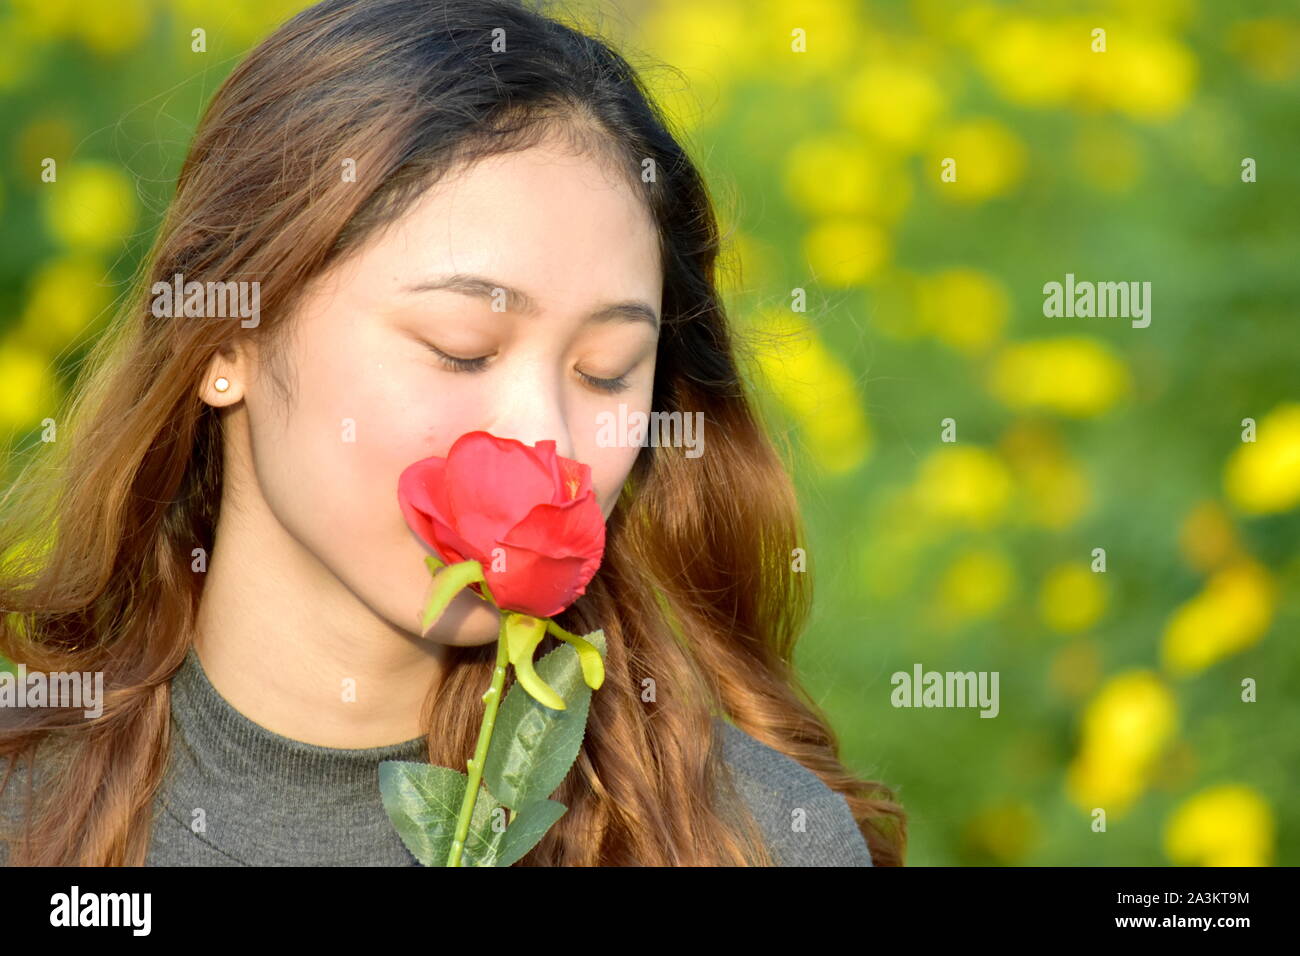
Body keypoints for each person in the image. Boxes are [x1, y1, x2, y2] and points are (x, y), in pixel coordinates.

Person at [0, 0, 904, 866]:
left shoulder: (747, 842)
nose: (546, 439)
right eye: (462, 349)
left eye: (607, 372)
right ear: (225, 335)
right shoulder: (23, 810)